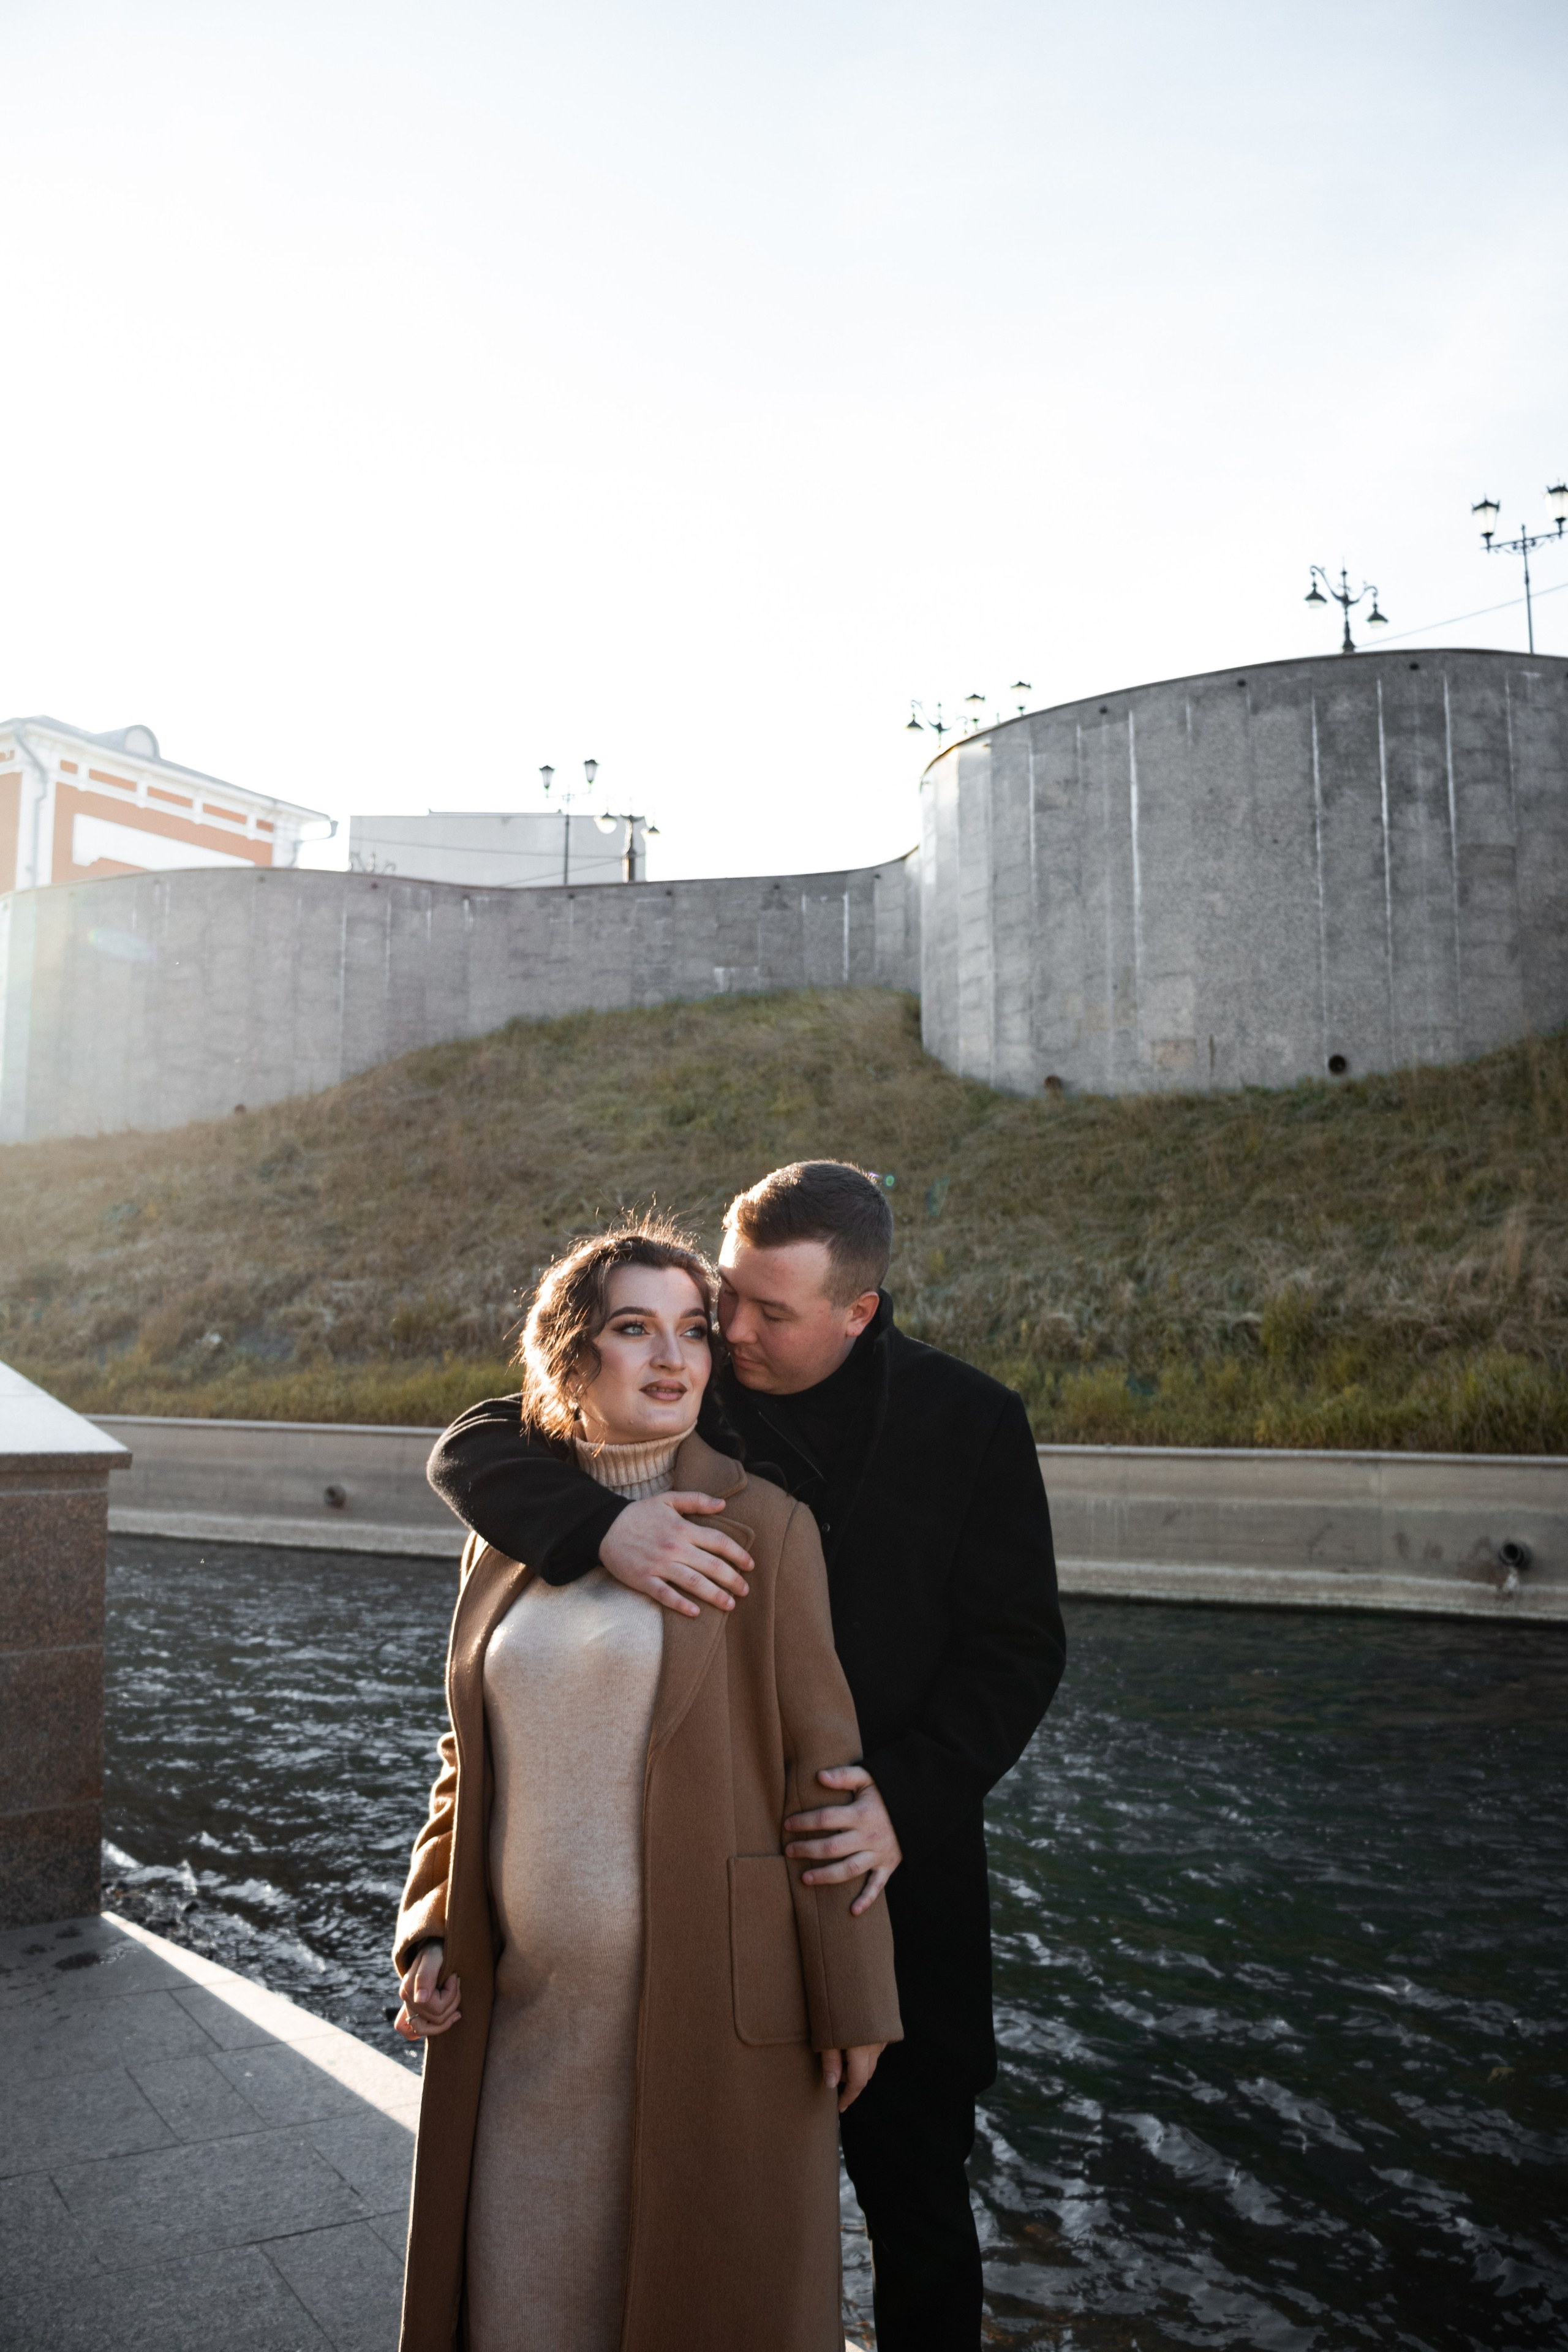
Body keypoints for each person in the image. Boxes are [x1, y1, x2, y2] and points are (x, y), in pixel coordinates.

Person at [428, 1162, 1066, 2350]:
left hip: (886, 1872)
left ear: (857, 1312)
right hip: (701, 1892)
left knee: (917, 2208)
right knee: (705, 2229)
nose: (729, 1332)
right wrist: (602, 1528)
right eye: (728, 1298)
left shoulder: (971, 1419)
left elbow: (1018, 1652)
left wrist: (900, 1805)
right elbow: (474, 1443)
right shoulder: (696, 1375)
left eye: (770, 1313)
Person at [392, 1221, 900, 2352]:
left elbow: (824, 1776)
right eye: (634, 1329)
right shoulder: (510, 1534)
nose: (672, 1358)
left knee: (698, 2308)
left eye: (691, 1332)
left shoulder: (763, 1525)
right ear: (573, 1358)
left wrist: (856, 1995)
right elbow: (464, 1760)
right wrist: (430, 1927)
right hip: (521, 2025)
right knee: (514, 2312)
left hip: (709, 2020)